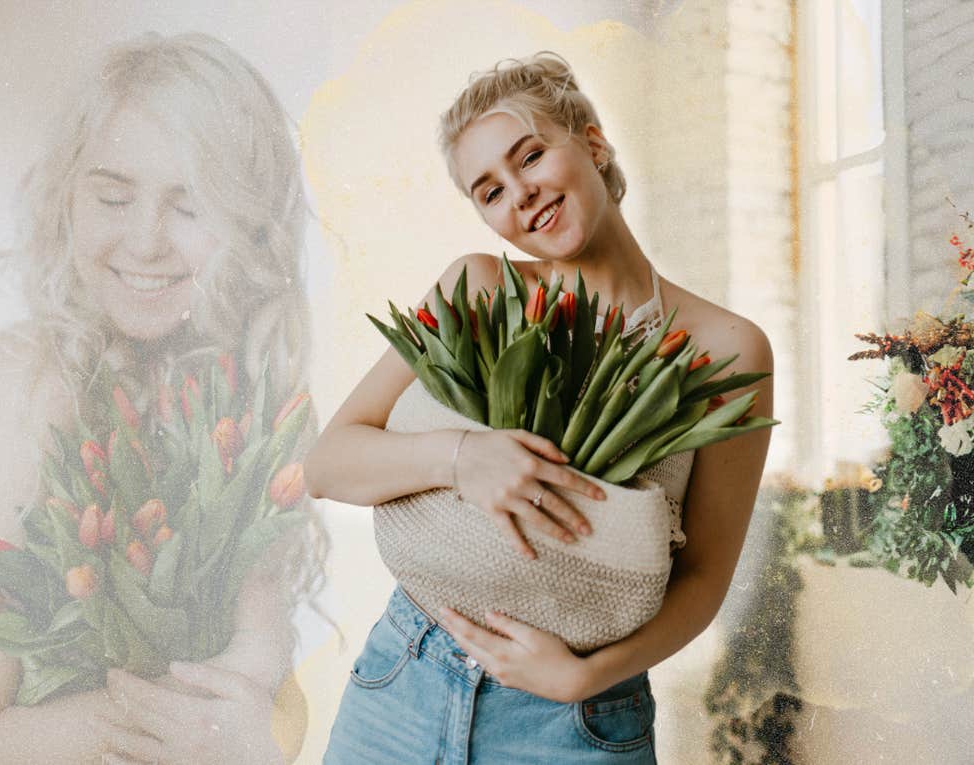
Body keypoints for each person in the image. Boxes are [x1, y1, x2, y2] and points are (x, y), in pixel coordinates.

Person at [307, 52, 773, 763]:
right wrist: (463, 457)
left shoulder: (726, 348)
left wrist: (584, 674)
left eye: (530, 156)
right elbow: (327, 462)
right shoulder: (479, 288)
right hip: (405, 678)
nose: (519, 194)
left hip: (573, 720)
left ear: (591, 142)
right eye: (490, 190)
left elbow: (705, 576)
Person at [0, 32, 322, 764]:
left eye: (188, 205)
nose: (146, 240)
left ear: (253, 224)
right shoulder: (32, 385)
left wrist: (262, 725)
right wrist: (208, 722)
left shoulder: (242, 389)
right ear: (67, 198)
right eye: (113, 195)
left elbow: (262, 668)